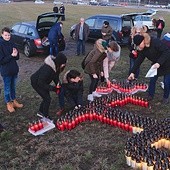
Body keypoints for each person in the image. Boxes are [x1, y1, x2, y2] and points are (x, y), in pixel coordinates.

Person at [128, 33, 170, 104]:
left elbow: (166, 52)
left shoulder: (155, 42)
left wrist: (159, 63)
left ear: (143, 41)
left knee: (166, 82)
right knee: (152, 79)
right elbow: (138, 61)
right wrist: (132, 72)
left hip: (167, 63)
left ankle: (165, 97)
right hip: (156, 65)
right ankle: (150, 95)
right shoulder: (143, 49)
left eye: (138, 45)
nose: (138, 47)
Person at [30, 53, 67, 119]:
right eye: (63, 63)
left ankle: (40, 112)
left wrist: (58, 84)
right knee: (47, 98)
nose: (64, 65)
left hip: (43, 82)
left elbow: (55, 76)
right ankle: (45, 115)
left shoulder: (56, 67)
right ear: (59, 62)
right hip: (36, 83)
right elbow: (40, 83)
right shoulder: (47, 68)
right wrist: (53, 88)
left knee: (46, 98)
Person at [0, 27, 23, 113]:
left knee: (13, 87)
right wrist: (11, 55)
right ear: (2, 35)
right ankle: (8, 103)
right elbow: (1, 61)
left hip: (14, 69)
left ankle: (14, 101)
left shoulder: (12, 42)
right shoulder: (0, 44)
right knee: (7, 88)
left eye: (9, 35)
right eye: (5, 35)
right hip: (6, 71)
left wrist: (16, 54)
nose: (7, 37)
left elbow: (17, 57)